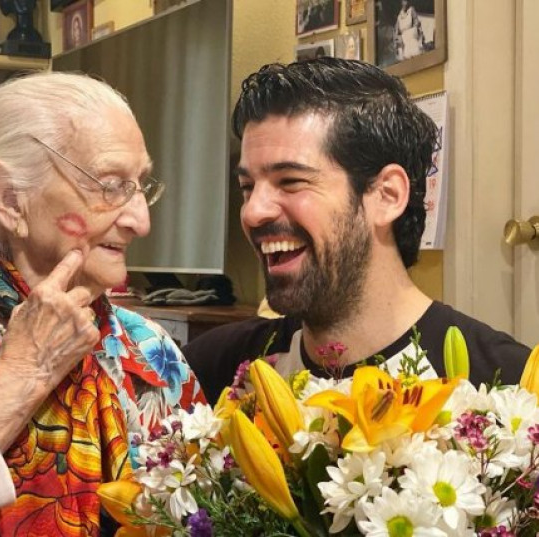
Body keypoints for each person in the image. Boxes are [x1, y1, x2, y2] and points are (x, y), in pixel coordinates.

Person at [0, 72, 205, 536]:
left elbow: (207, 515)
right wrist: (21, 377)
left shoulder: (152, 350)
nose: (140, 221)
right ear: (11, 201)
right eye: (110, 185)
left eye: (140, 185)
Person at [183, 58, 531, 406]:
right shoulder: (213, 372)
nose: (253, 212)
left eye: (290, 181)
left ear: (387, 195)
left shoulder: (508, 390)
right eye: (247, 186)